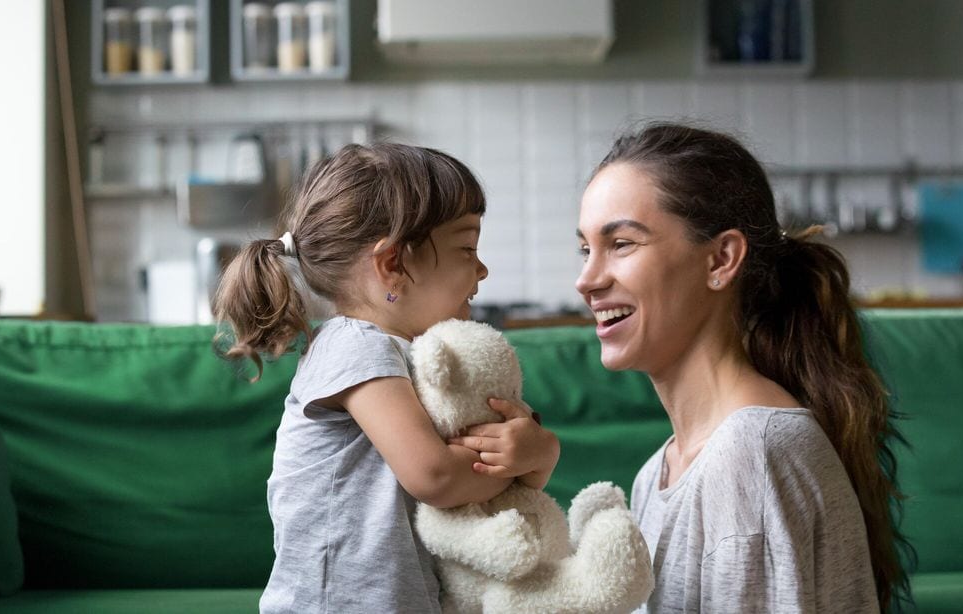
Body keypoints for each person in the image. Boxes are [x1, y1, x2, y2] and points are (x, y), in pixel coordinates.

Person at [574, 122, 912, 612]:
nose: (587, 280)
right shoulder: (659, 473)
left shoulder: (752, 453)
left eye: (622, 243)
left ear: (721, 259)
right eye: (586, 249)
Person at [213, 143, 560, 613]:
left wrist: (531, 452)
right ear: (393, 264)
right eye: (466, 247)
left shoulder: (411, 355)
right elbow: (436, 475)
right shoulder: (353, 345)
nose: (481, 269)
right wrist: (528, 456)